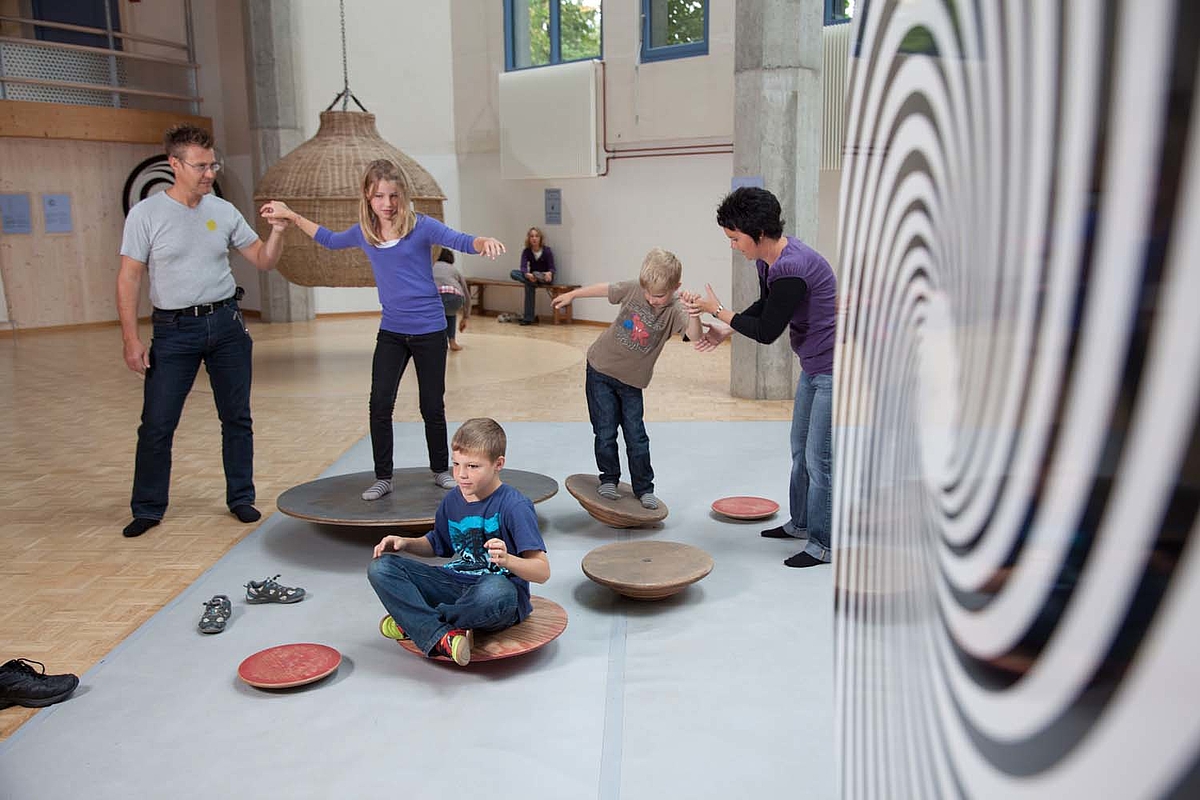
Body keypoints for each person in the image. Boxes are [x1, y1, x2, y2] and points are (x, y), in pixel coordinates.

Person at [259, 160, 505, 502]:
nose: (387, 203)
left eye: (393, 195)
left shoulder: (421, 226)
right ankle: (383, 477)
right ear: (367, 196)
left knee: (431, 405)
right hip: (392, 331)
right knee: (379, 404)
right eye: (379, 196)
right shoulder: (365, 232)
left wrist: (483, 241)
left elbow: (460, 240)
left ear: (403, 195)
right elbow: (329, 239)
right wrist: (291, 216)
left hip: (430, 329)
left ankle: (439, 470)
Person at [116, 124, 287, 538]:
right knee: (157, 423)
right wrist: (130, 338)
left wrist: (279, 232)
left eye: (213, 165)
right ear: (174, 164)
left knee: (237, 417)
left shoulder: (223, 211)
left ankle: (241, 497)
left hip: (226, 324)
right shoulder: (146, 215)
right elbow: (129, 277)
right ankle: (148, 507)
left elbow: (263, 260)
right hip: (173, 330)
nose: (209, 173)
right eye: (201, 166)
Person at [685, 187, 837, 568]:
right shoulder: (769, 261)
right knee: (800, 450)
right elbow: (766, 306)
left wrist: (718, 310)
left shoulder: (793, 267)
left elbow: (768, 331)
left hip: (834, 370)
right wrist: (727, 328)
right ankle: (801, 524)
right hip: (814, 366)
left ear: (759, 233)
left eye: (736, 238)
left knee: (819, 460)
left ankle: (823, 545)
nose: (733, 246)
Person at [367, 418, 550, 666]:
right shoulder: (453, 499)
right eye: (456, 464)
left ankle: (418, 624)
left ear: (498, 464)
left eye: (473, 466)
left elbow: (542, 572)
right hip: (453, 583)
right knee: (381, 567)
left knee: (496, 590)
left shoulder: (515, 506)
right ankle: (438, 632)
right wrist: (406, 543)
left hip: (497, 594)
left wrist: (508, 560)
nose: (461, 474)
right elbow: (437, 544)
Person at [552, 248, 702, 509]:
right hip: (600, 370)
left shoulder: (676, 308)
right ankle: (609, 478)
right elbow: (606, 289)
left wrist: (695, 313)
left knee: (636, 437)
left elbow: (696, 336)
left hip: (632, 383)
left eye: (659, 295)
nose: (651, 299)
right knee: (605, 431)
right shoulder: (635, 288)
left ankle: (644, 488)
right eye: (648, 293)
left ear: (676, 287)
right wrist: (573, 294)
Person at [509, 226, 555, 325]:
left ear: (540, 238)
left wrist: (549, 273)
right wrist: (527, 274)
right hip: (531, 278)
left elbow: (552, 268)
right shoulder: (527, 251)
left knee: (535, 275)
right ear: (529, 238)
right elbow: (523, 267)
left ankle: (528, 318)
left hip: (543, 277)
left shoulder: (547, 251)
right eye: (532, 236)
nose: (534, 238)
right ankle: (529, 318)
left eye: (536, 236)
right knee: (514, 273)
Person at [432, 248, 470, 352]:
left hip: (435, 297)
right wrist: (465, 317)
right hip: (455, 297)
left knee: (432, 317)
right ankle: (452, 342)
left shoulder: (430, 267)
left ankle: (435, 342)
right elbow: (466, 294)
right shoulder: (454, 270)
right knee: (451, 313)